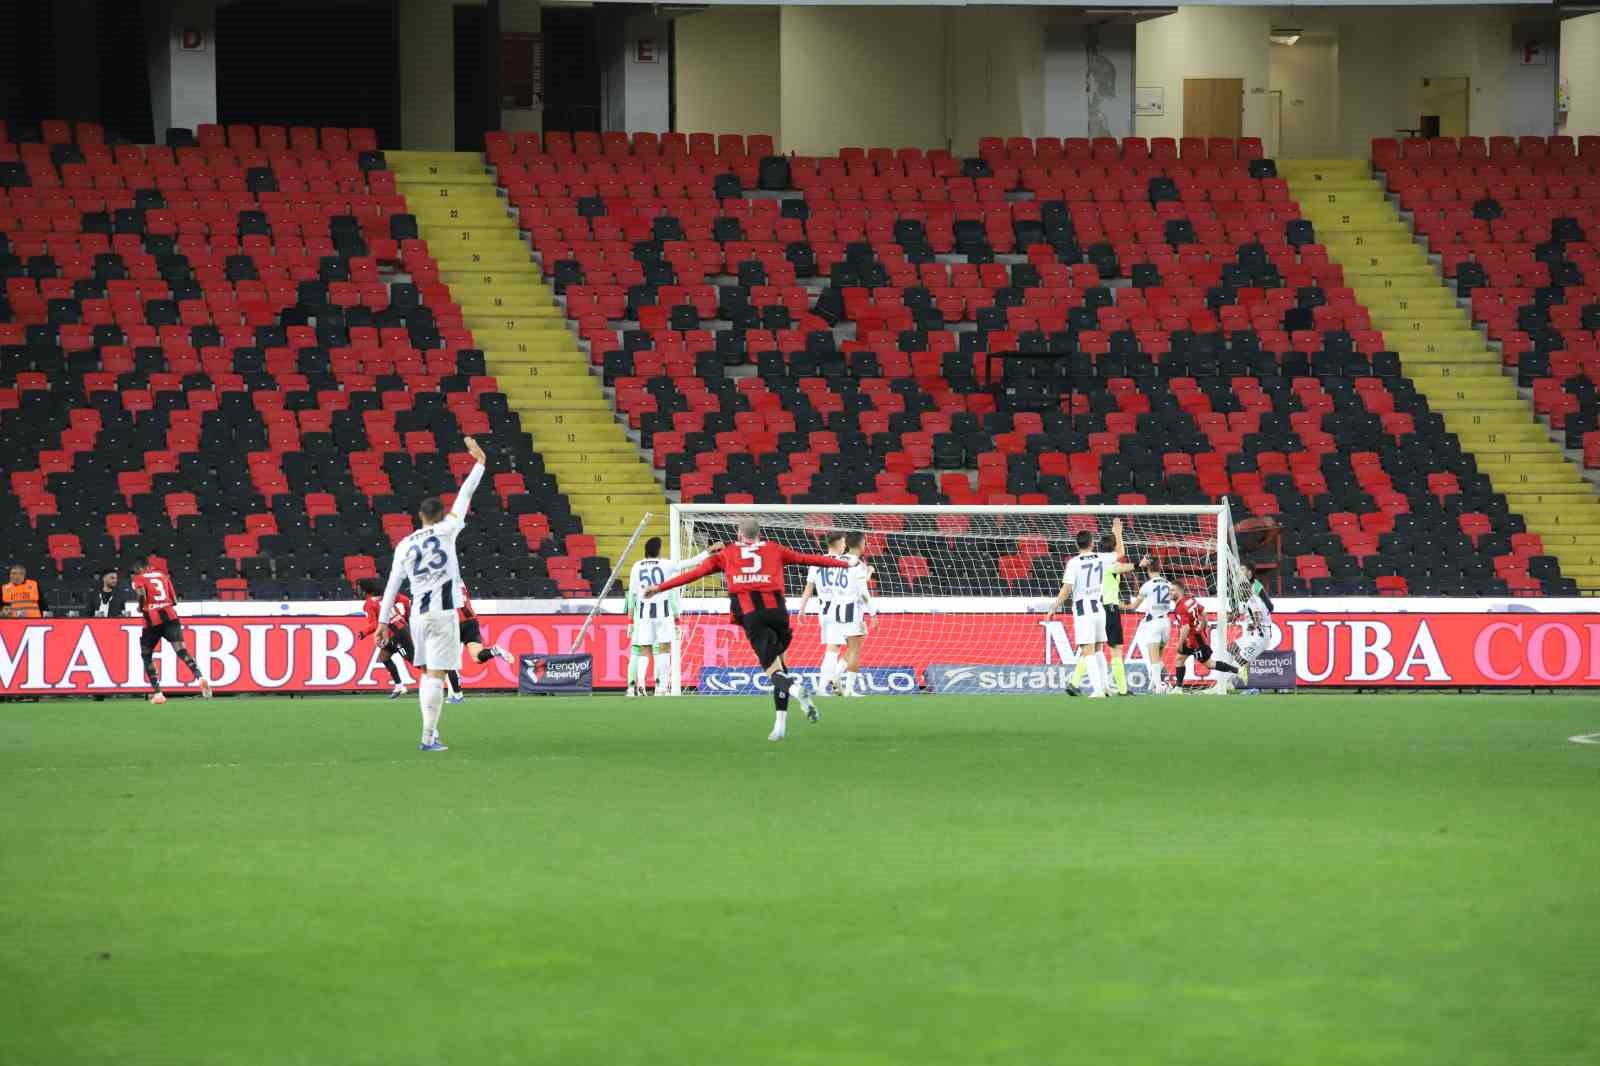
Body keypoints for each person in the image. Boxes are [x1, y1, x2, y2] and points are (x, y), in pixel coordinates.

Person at [644, 517, 853, 741]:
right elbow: (807, 559)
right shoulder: (774, 548)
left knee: (775, 673)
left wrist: (659, 588)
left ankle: (793, 688)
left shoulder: (727, 553)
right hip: (779, 614)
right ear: (759, 534)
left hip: (753, 616)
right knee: (781, 666)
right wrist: (844, 563)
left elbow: (692, 574)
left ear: (739, 534)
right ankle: (780, 724)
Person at [376, 436, 487, 752]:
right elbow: (464, 496)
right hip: (443, 614)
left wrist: (382, 624)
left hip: (416, 616)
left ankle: (430, 734)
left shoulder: (405, 545)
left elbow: (392, 587)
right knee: (437, 674)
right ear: (439, 516)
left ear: (420, 517)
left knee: (427, 673)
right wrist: (480, 464)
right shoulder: (447, 529)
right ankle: (428, 736)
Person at [1047, 520, 1129, 699]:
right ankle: (1106, 688)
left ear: (1077, 544)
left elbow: (1067, 588)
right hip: (1099, 609)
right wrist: (1117, 532)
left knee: (1088, 651)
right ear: (1092, 543)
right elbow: (1120, 552)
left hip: (1084, 611)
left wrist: (1054, 606)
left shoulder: (1074, 563)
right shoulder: (1100, 557)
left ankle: (1098, 690)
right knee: (1098, 649)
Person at [623, 537, 712, 697]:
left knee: (644, 650)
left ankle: (639, 686)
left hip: (643, 614)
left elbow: (632, 594)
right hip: (663, 613)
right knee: (664, 649)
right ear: (658, 550)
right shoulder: (665, 564)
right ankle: (661, 688)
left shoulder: (636, 566)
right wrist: (707, 552)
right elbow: (688, 564)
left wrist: (630, 620)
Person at [130, 552, 212, 703]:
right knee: (181, 651)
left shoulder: (138, 578)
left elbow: (141, 594)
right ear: (149, 566)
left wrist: (141, 607)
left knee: (146, 654)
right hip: (170, 617)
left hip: (152, 621)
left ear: (137, 568)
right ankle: (200, 676)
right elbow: (174, 601)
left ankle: (158, 693)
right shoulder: (163, 576)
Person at [443, 585, 514, 704]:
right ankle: (493, 651)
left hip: (454, 624)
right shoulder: (460, 583)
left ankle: (457, 696)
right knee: (477, 657)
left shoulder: (441, 583)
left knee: (448, 662)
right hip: (471, 621)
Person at [1171, 580, 1240, 693]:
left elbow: (1186, 627)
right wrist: (1204, 625)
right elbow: (1203, 613)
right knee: (1179, 659)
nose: (1169, 592)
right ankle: (1178, 688)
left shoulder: (1180, 608)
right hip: (1192, 638)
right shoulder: (1190, 600)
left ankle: (1237, 670)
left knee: (1210, 664)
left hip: (1195, 642)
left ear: (1179, 591)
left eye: (1172, 590)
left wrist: (1179, 643)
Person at [1215, 565, 1275, 694]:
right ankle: (1226, 682)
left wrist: (1255, 623)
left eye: (1242, 591)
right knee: (1231, 648)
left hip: (1260, 635)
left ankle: (1235, 682)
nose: (1240, 594)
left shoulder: (1254, 599)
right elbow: (1237, 613)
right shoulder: (1246, 600)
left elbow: (1258, 613)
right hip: (1252, 634)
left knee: (1240, 660)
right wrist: (1220, 622)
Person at [358, 577, 414, 699]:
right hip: (398, 630)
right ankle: (399, 686)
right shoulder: (387, 595)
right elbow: (405, 601)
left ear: (365, 590)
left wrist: (363, 632)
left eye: (360, 588)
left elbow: (374, 624)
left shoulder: (369, 604)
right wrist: (406, 616)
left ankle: (440, 677)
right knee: (384, 657)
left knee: (414, 661)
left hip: (396, 634)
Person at [1128, 558, 1176, 693]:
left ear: (1148, 569)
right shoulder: (1168, 584)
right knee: (1159, 656)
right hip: (1166, 622)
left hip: (1153, 622)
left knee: (1153, 658)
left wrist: (1120, 604)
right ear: (1159, 569)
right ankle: (1163, 683)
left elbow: (1134, 606)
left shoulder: (1147, 585)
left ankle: (1158, 687)